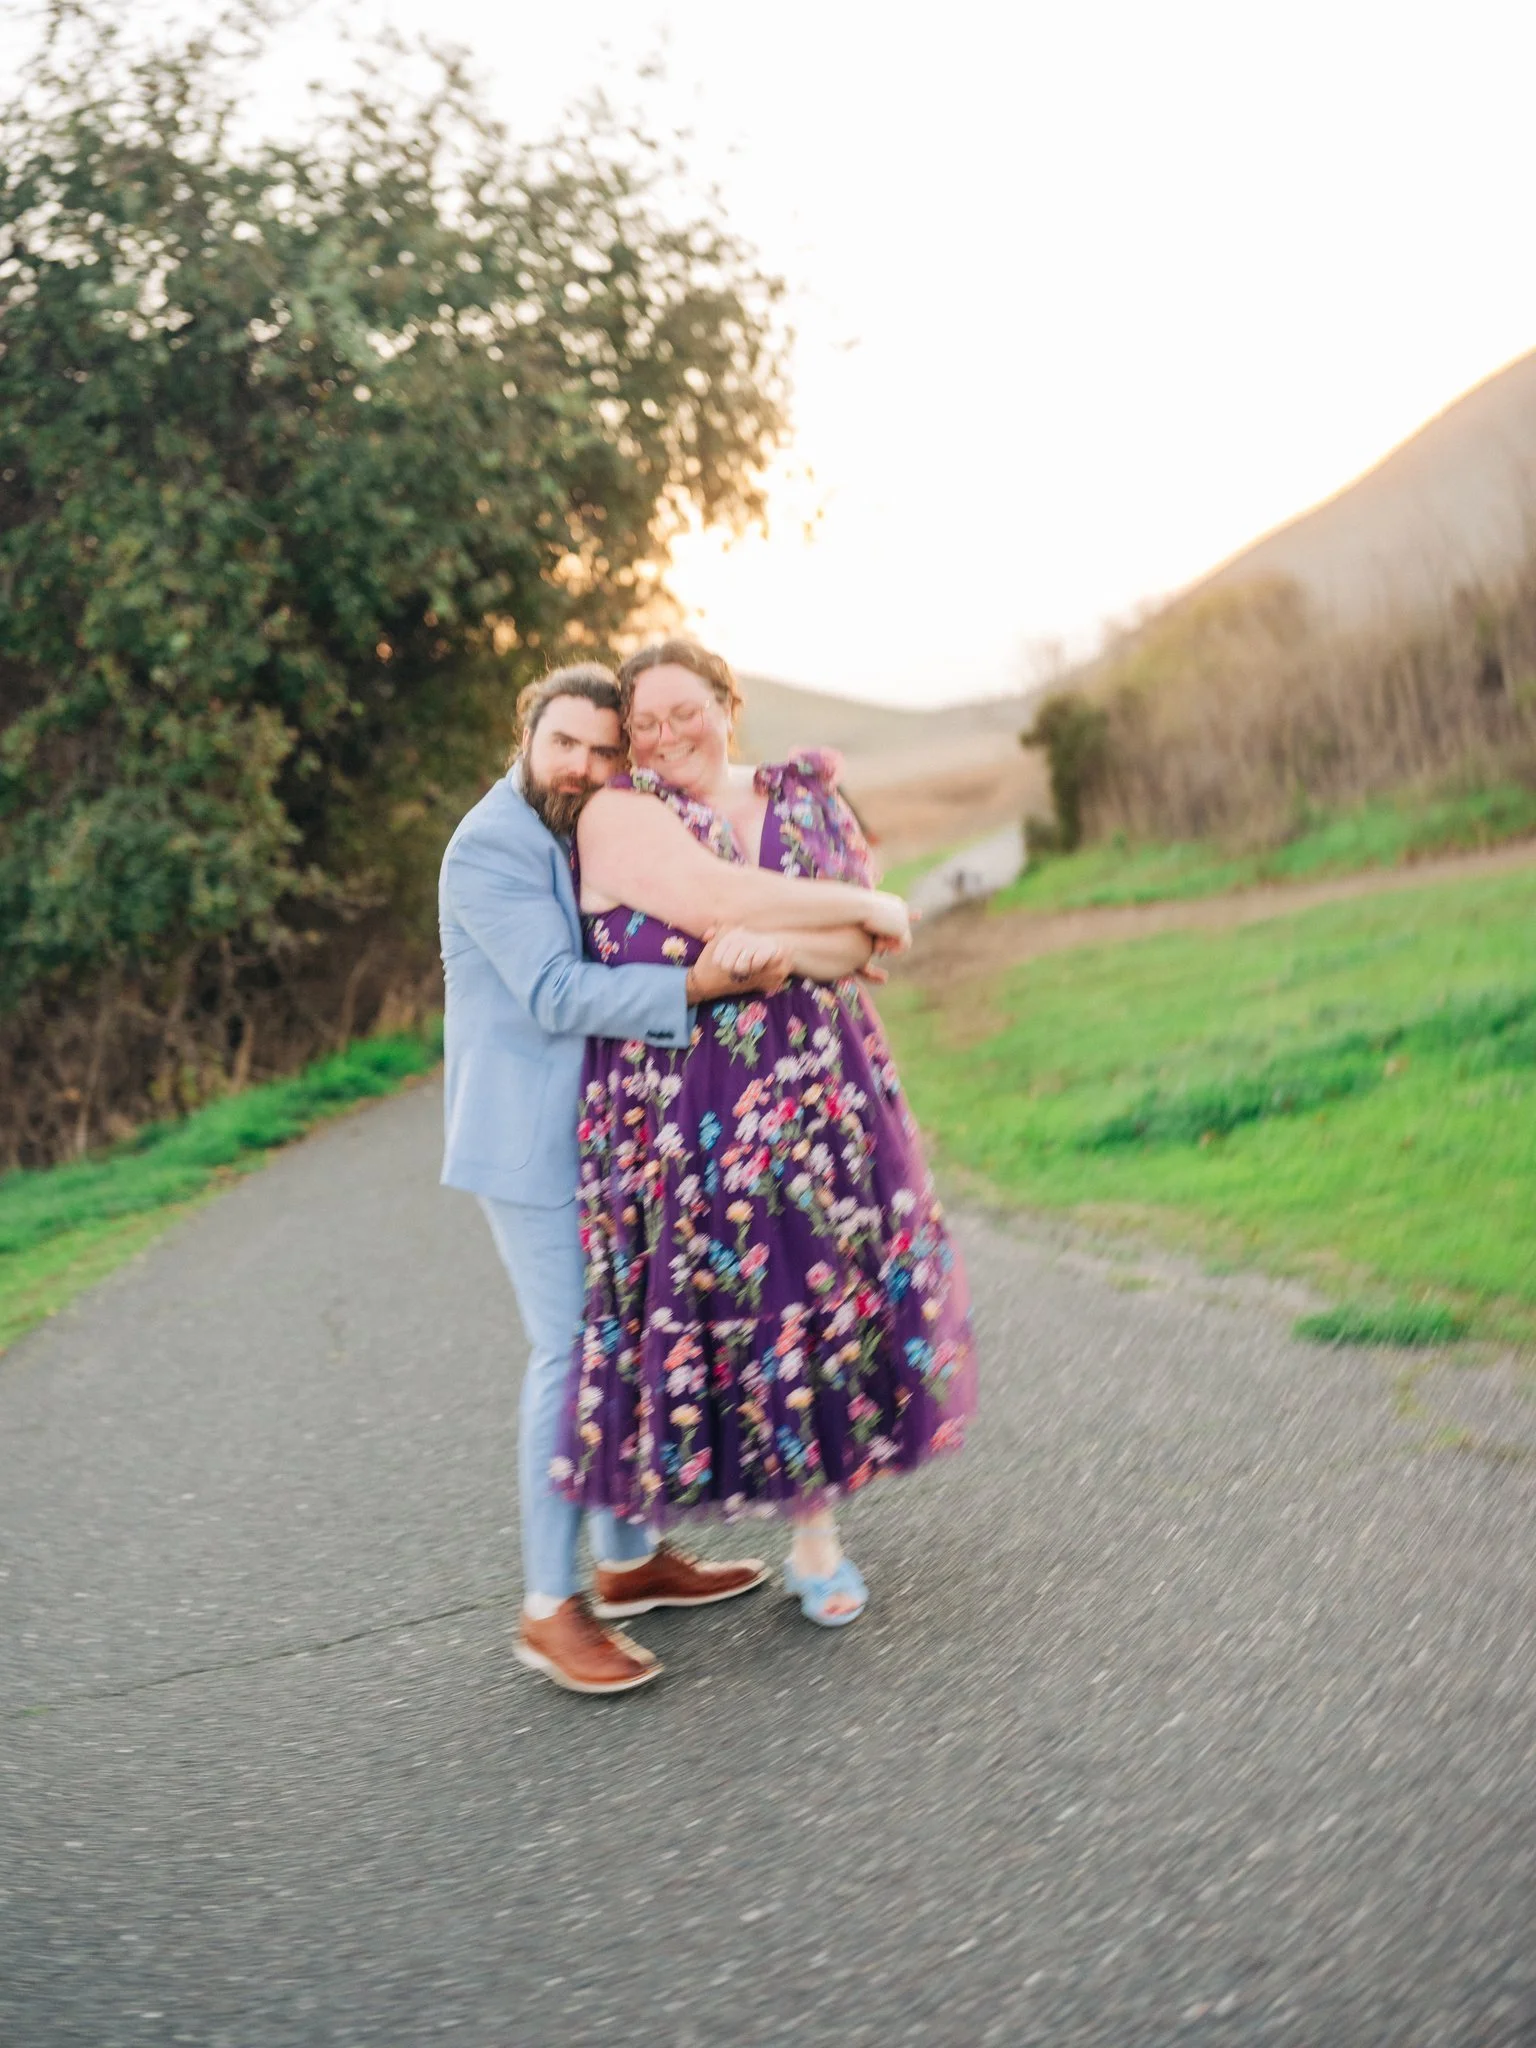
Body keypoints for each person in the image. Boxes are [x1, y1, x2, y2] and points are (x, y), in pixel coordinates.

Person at [439, 663, 908, 1693]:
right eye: (568, 742)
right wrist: (705, 981)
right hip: (528, 1133)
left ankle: (628, 1559)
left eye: (607, 748)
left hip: (610, 1129)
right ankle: (547, 1606)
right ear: (526, 732)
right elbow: (559, 991)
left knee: (613, 1326)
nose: (588, 764)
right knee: (570, 1346)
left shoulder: (589, 819)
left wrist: (824, 936)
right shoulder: (489, 845)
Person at [554, 640, 978, 1627]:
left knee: (826, 1285)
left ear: (727, 702)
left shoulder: (809, 799)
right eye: (644, 723)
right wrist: (869, 907)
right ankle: (777, 1538)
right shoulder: (632, 818)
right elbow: (722, 906)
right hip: (698, 1108)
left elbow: (850, 953)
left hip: (826, 1087)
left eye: (683, 710)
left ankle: (816, 1533)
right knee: (763, 1300)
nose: (665, 737)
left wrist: (803, 936)